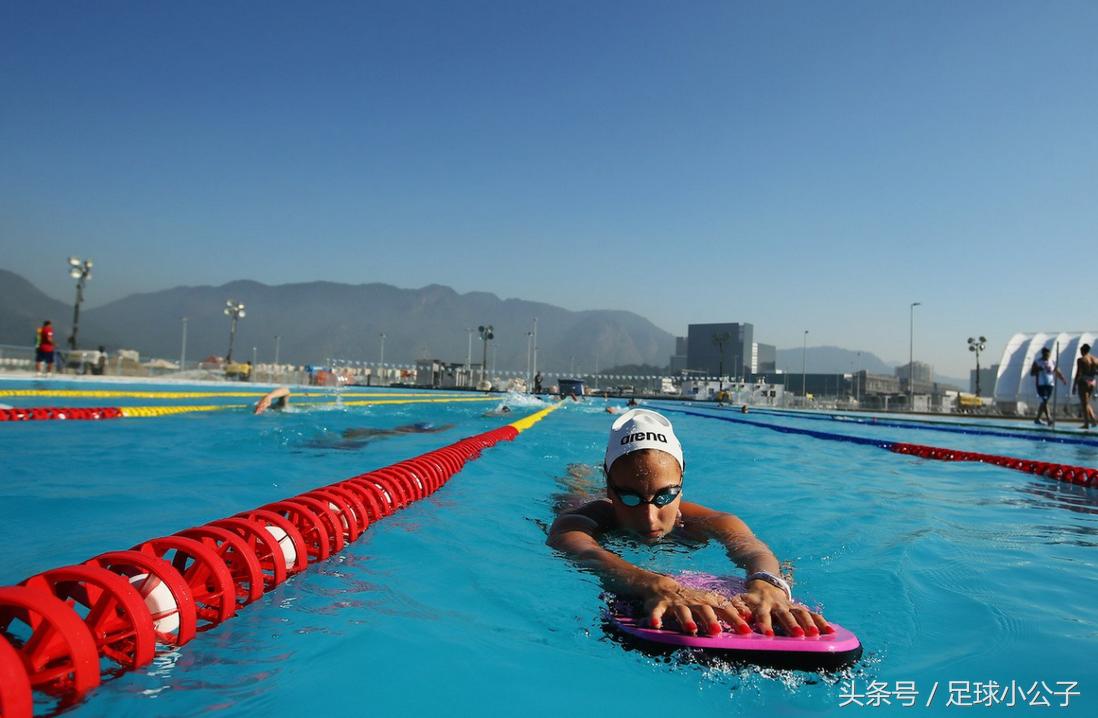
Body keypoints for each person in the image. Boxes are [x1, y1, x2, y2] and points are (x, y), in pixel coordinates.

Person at [547, 409, 830, 638]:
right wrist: (654, 585)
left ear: (681, 486)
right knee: (575, 490)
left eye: (664, 496)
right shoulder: (588, 518)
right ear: (610, 491)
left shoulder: (708, 522)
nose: (648, 517)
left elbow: (752, 549)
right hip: (582, 499)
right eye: (630, 499)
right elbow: (577, 546)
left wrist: (768, 585)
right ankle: (579, 474)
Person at [1030, 347, 1066, 426]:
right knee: (1044, 400)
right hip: (1041, 384)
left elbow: (1057, 371)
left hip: (1050, 384)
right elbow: (1032, 373)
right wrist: (1038, 369)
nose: (1047, 356)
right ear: (1043, 354)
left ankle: (1037, 419)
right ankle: (1049, 418)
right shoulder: (1037, 362)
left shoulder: (1052, 362)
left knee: (1045, 401)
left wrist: (1062, 379)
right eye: (1046, 354)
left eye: (1048, 354)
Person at [1074, 344, 1098, 429]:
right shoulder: (1095, 359)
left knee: (1084, 404)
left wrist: (1074, 385)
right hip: (1092, 382)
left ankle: (1086, 423)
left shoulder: (1081, 360)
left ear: (1083, 350)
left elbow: (1078, 373)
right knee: (1086, 403)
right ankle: (1093, 420)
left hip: (1084, 381)